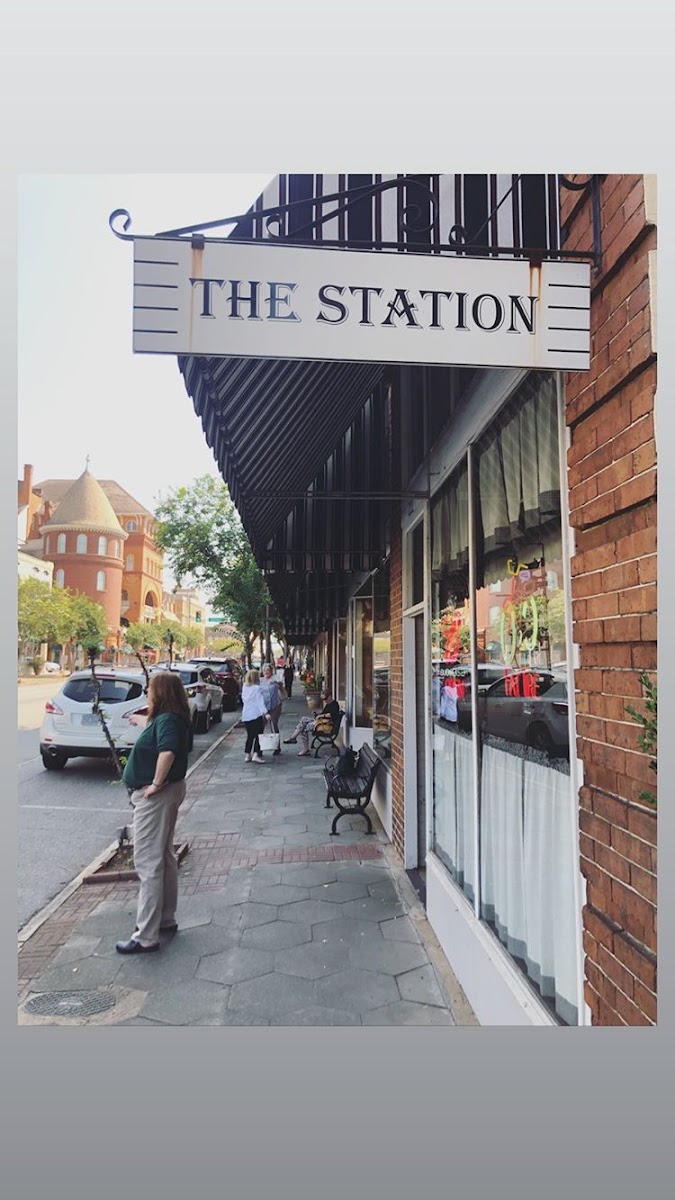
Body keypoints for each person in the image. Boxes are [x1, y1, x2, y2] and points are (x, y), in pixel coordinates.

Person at [115, 671, 191, 955]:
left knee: (148, 861)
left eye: (150, 688)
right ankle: (166, 918)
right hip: (168, 792)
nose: (147, 692)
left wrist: (156, 783)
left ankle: (146, 935)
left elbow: (167, 751)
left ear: (161, 693)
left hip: (157, 797)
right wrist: (140, 721)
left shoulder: (168, 719)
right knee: (164, 856)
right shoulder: (172, 717)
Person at [241, 669, 271, 763]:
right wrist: (266, 713)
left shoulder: (244, 687)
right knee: (259, 735)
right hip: (256, 714)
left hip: (246, 714)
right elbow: (260, 702)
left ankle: (247, 755)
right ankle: (255, 754)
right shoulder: (257, 688)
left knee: (250, 735)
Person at [260, 663, 284, 755]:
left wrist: (276, 683)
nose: (266, 672)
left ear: (271, 671)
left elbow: (281, 686)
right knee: (261, 726)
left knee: (274, 725)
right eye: (264, 670)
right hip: (264, 707)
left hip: (275, 706)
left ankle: (277, 747)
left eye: (268, 670)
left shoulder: (275, 678)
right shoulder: (260, 681)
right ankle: (259, 748)